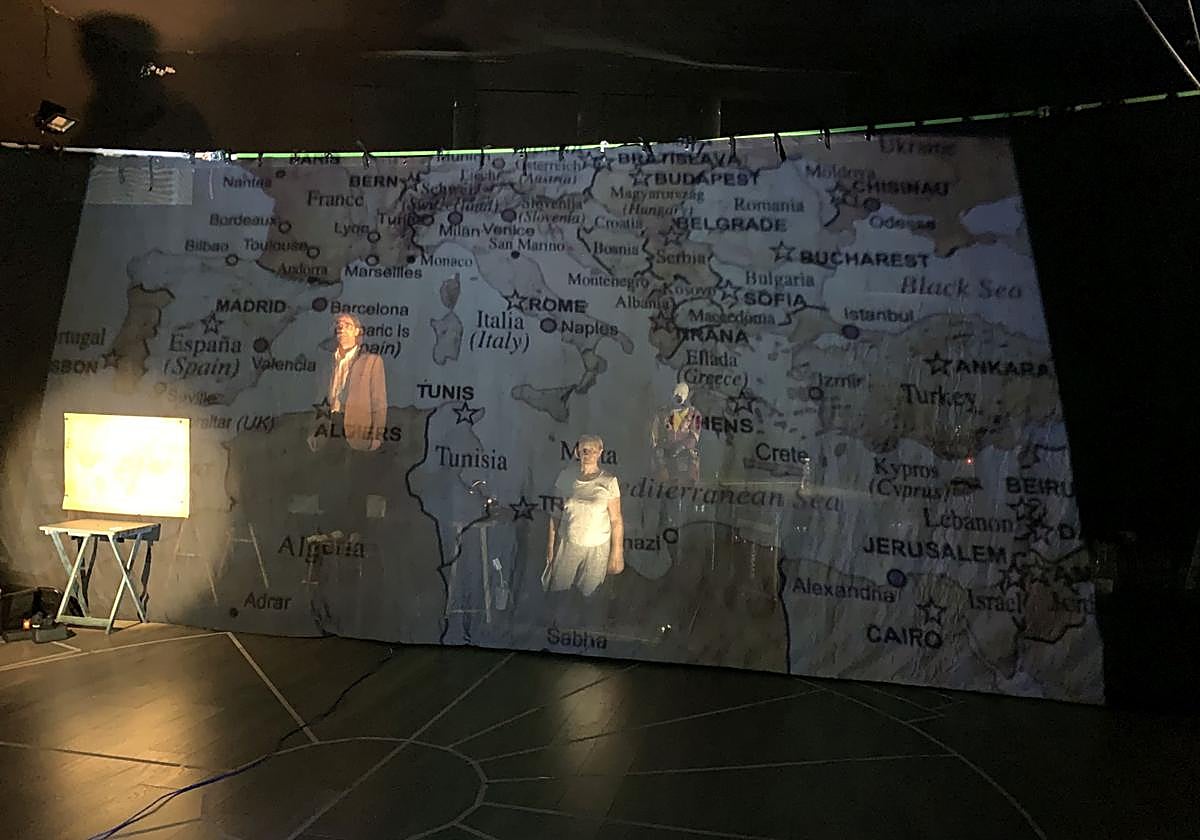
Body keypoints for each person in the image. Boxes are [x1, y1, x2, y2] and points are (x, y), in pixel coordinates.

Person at [542, 434, 624, 598]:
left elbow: (616, 520)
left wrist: (617, 553)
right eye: (584, 450)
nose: (588, 454)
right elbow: (555, 514)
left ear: (600, 452)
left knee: (590, 596)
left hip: (597, 549)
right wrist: (551, 547)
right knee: (559, 593)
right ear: (577, 452)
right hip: (568, 543)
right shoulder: (566, 477)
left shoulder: (609, 481)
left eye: (593, 450)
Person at [311, 313, 387, 451]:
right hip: (326, 428)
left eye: (347, 325)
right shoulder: (327, 361)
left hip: (357, 430)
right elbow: (319, 397)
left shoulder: (372, 361)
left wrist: (377, 437)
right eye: (339, 325)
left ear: (357, 331)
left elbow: (379, 402)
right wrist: (313, 432)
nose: (341, 329)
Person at [651, 383, 702, 483]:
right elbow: (654, 434)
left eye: (681, 395)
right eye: (676, 394)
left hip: (685, 452)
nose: (677, 397)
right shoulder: (662, 413)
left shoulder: (695, 414)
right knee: (660, 464)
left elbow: (694, 436)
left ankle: (687, 485)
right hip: (666, 451)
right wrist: (659, 447)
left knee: (689, 466)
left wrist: (681, 447)